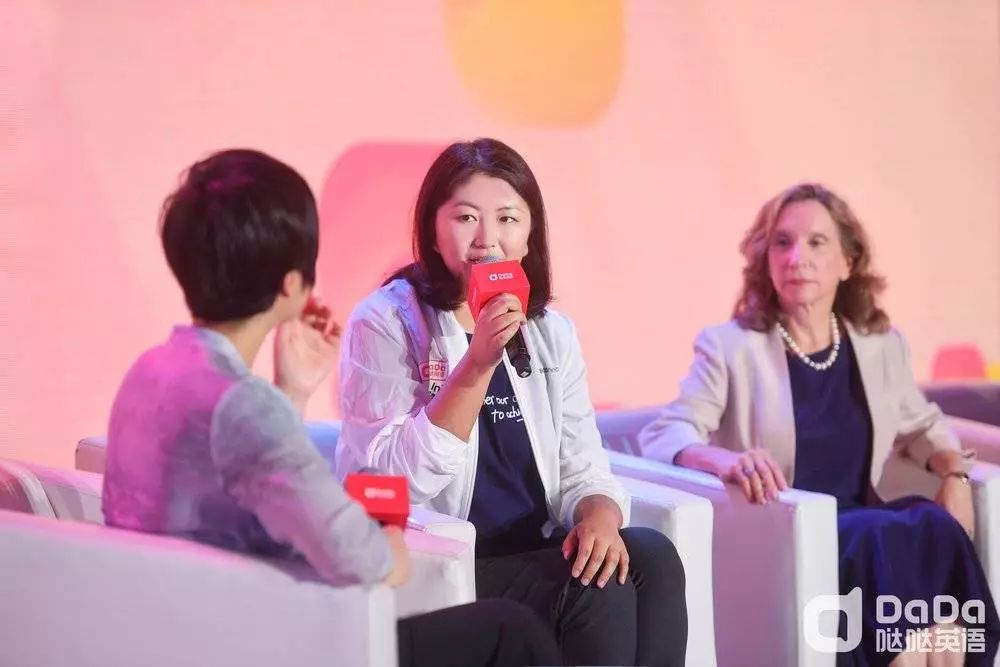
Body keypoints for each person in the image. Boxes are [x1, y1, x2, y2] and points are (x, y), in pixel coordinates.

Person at [102, 148, 561, 667]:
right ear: (292, 284)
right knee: (512, 634)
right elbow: (366, 559)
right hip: (261, 641)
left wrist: (292, 391)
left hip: (164, 631)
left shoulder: (151, 371)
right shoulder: (249, 407)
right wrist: (389, 533)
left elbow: (244, 483)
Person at [335, 138, 687, 667]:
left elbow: (582, 465)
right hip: (444, 559)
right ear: (432, 230)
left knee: (652, 557)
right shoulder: (386, 322)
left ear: (529, 234)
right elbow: (387, 481)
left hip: (536, 548)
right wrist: (475, 365)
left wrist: (599, 514)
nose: (487, 240)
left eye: (507, 219)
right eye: (466, 218)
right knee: (597, 589)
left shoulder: (549, 330)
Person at [639, 182, 999, 666]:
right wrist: (725, 461)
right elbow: (667, 433)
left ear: (848, 262)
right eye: (782, 242)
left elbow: (921, 426)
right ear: (767, 260)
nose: (797, 258)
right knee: (886, 536)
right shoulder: (730, 347)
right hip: (788, 528)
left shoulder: (878, 344)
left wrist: (954, 472)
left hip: (863, 524)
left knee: (929, 525)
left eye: (816, 242)